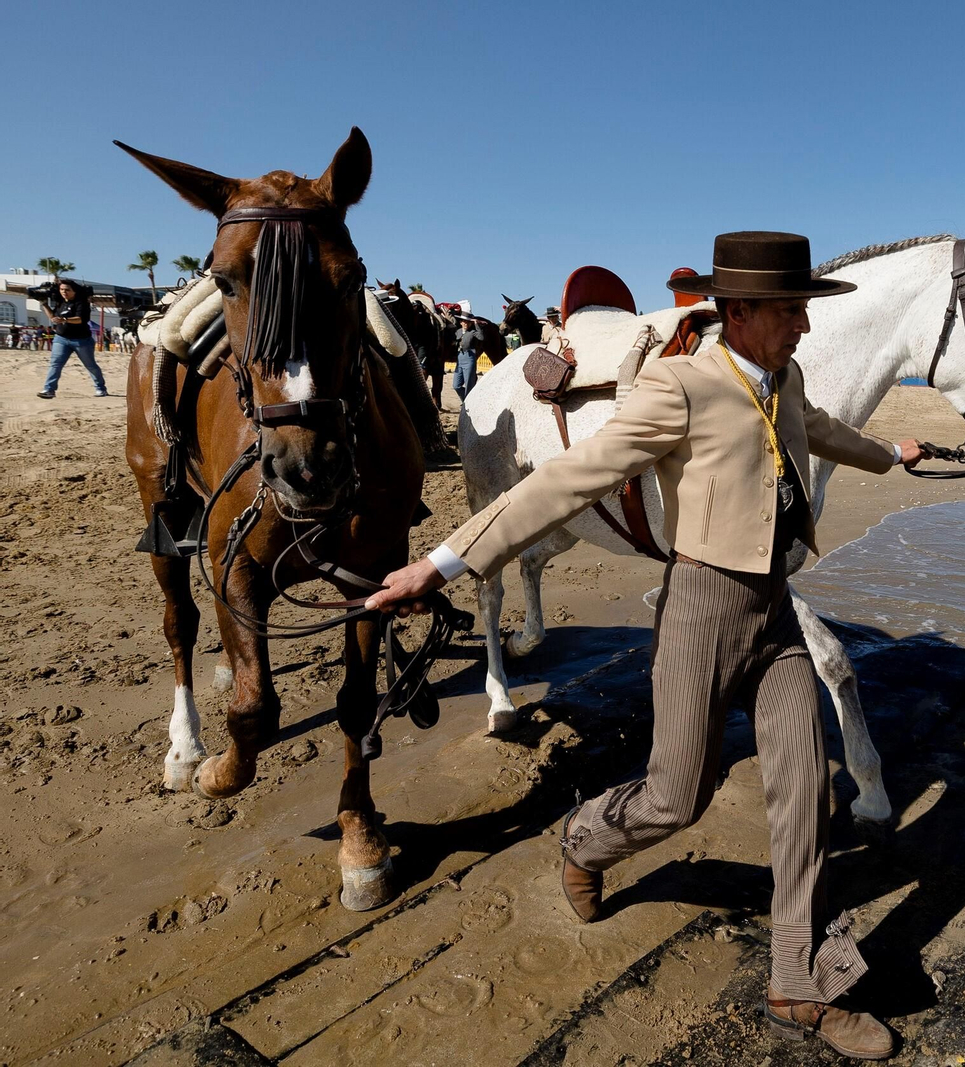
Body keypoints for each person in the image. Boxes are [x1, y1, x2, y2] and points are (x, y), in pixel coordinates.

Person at [367, 232, 926, 1060]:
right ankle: (586, 839)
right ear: (738, 312)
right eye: (790, 311)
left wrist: (893, 454)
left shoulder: (785, 376)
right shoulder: (680, 384)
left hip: (772, 611)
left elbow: (819, 426)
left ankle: (797, 983)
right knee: (676, 796)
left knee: (805, 786)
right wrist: (444, 561)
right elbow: (568, 477)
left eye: (806, 309)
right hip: (701, 607)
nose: (804, 326)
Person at [38, 279, 108, 399]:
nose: (64, 292)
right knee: (55, 364)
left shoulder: (81, 303)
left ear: (74, 291)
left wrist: (65, 320)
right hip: (61, 338)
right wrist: (44, 303)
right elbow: (53, 317)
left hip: (81, 340)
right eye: (61, 289)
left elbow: (81, 319)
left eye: (67, 290)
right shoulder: (60, 302)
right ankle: (49, 389)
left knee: (90, 365)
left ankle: (100, 388)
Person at [453, 315, 482, 400]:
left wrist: (476, 325)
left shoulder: (472, 332)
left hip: (469, 358)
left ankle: (467, 404)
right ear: (461, 323)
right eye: (464, 322)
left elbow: (481, 337)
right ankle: (467, 400)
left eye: (468, 322)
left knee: (469, 384)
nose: (466, 324)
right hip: (459, 358)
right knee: (456, 385)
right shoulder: (458, 332)